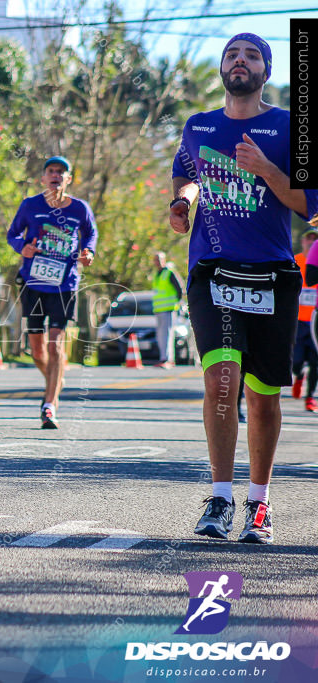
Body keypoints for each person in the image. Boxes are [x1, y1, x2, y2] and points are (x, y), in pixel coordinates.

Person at [170, 33, 304, 544]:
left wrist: (265, 169)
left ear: (265, 70)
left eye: (251, 55)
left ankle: (259, 505)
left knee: (264, 397)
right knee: (220, 381)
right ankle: (220, 500)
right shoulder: (199, 125)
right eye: (232, 54)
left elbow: (308, 205)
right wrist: (182, 202)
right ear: (223, 69)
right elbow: (185, 174)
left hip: (271, 274)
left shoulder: (290, 126)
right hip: (214, 271)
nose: (239, 61)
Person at [7, 156, 97, 429]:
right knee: (36, 351)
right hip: (33, 284)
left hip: (65, 284)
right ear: (43, 178)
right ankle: (55, 379)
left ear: (68, 179)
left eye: (61, 172)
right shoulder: (30, 205)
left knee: (55, 344)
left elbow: (90, 234)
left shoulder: (80, 208)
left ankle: (49, 406)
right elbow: (13, 234)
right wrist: (22, 247)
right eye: (51, 171)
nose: (56, 175)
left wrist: (88, 252)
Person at [291, 229, 318, 412]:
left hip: (314, 320)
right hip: (297, 321)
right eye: (308, 238)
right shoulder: (295, 260)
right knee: (296, 361)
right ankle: (298, 375)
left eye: (314, 239)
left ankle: (310, 398)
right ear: (302, 242)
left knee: (316, 363)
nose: (311, 242)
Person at [152, 251, 184, 369]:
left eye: (159, 259)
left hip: (169, 309)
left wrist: (178, 304)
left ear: (164, 260)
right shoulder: (157, 274)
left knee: (167, 334)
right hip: (159, 310)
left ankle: (167, 359)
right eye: (155, 260)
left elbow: (179, 289)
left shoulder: (169, 273)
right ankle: (163, 358)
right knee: (161, 335)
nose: (157, 262)